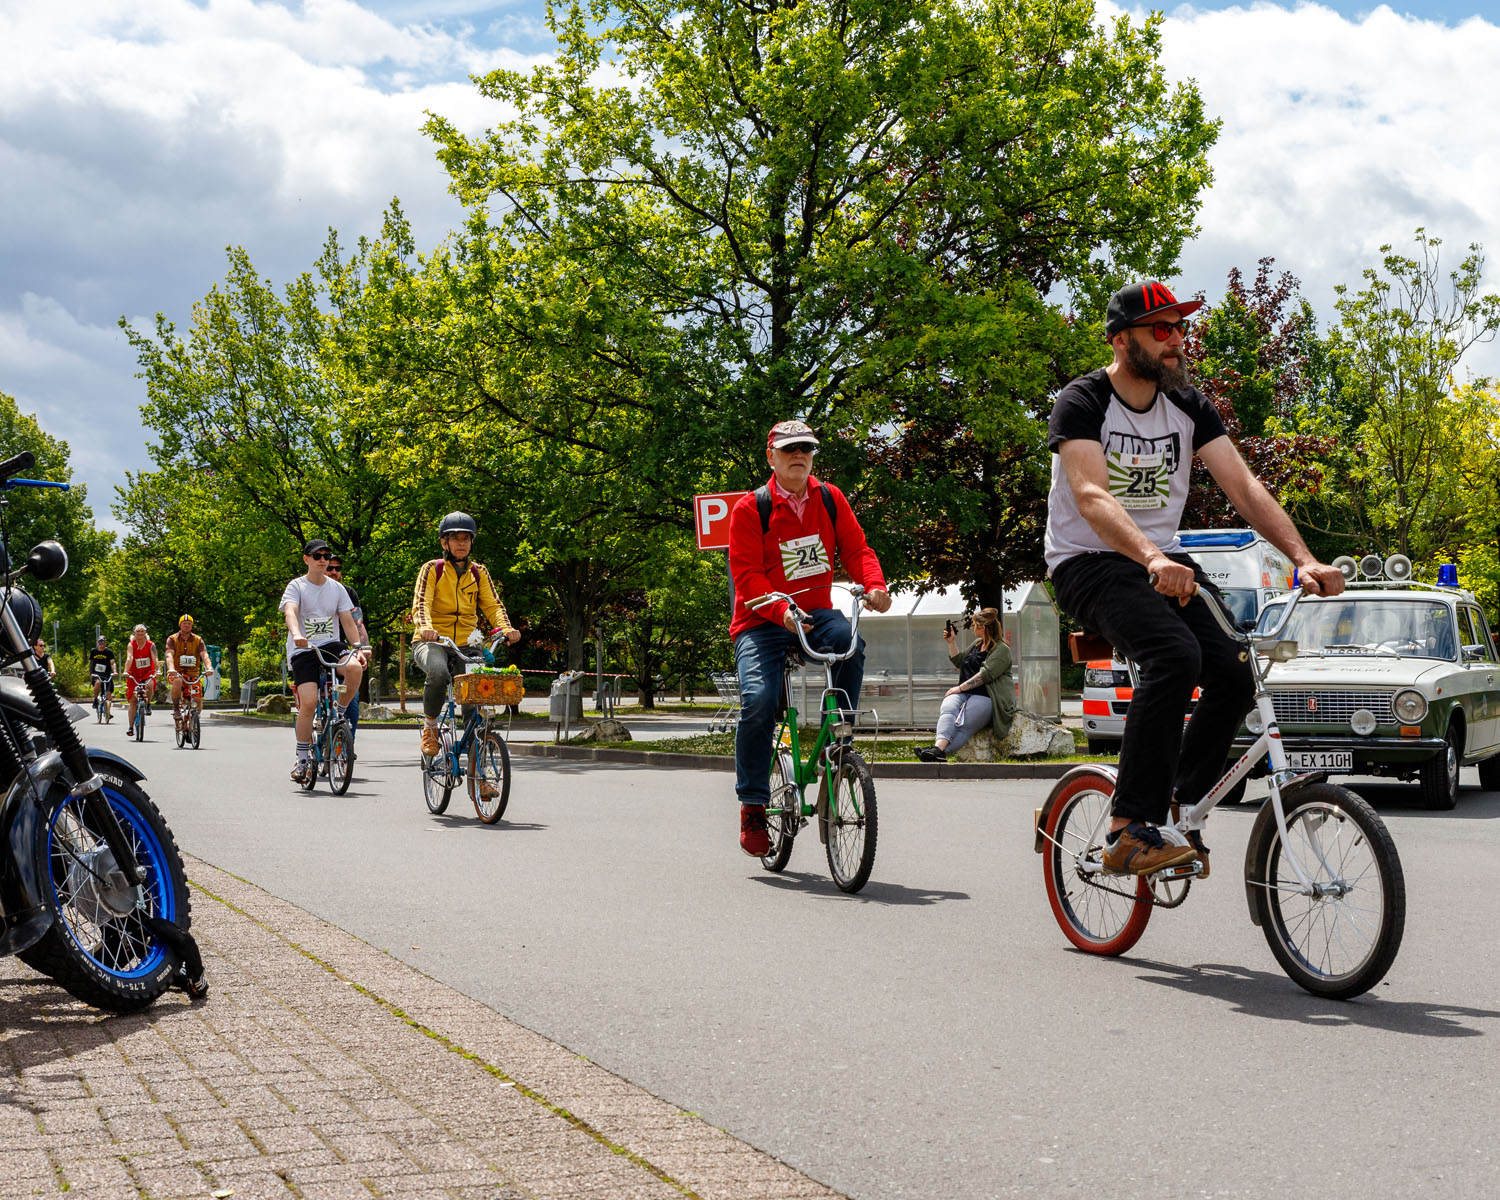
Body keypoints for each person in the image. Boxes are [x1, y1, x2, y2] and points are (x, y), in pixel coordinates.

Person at [1045, 279, 1344, 877]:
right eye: (1162, 329)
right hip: (1088, 561)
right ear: (1121, 339)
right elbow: (1092, 495)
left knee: (1236, 669)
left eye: (1181, 327)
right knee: (1174, 655)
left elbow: (1243, 486)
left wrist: (1303, 558)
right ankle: (1128, 827)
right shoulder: (1082, 401)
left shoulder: (1186, 403)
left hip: (1166, 560)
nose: (1177, 340)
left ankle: (1181, 806)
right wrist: (1152, 559)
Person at [727, 420, 892, 857]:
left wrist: (875, 585)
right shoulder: (750, 509)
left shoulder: (830, 498)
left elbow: (857, 550)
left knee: (851, 644)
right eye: (789, 449)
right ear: (771, 457)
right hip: (761, 620)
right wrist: (780, 611)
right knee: (759, 701)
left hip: (815, 614)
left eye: (806, 448)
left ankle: (837, 739)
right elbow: (748, 576)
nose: (799, 454)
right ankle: (753, 806)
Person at [410, 513, 521, 797]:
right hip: (432, 640)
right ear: (444, 542)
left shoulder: (478, 572)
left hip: (466, 644)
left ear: (471, 542)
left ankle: (480, 777)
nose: (461, 543)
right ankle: (431, 728)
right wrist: (426, 627)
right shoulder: (432, 569)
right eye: (455, 538)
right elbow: (421, 603)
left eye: (466, 538)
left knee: (477, 707)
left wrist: (506, 628)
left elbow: (493, 605)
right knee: (438, 672)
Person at [280, 539, 367, 785]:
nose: (323, 560)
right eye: (317, 556)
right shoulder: (296, 586)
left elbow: (348, 621)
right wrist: (297, 634)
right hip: (304, 648)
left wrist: (358, 647)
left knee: (354, 667)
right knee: (308, 703)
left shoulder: (337, 589)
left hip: (331, 644)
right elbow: (290, 612)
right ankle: (302, 759)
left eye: (326, 556)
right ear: (306, 559)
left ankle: (339, 713)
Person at [916, 608, 1016, 762]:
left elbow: (985, 675)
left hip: (986, 696)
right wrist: (951, 642)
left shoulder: (1002, 650)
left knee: (964, 725)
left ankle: (938, 752)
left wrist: (959, 688)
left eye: (975, 625)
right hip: (965, 693)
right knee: (948, 710)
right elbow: (959, 661)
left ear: (983, 627)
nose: (973, 627)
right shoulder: (977, 644)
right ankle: (937, 749)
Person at [325, 553, 371, 738]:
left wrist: (364, 647)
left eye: (338, 568)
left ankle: (346, 743)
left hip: (340, 650)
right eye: (330, 568)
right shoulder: (309, 590)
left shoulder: (348, 593)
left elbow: (357, 622)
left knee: (352, 698)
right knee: (312, 694)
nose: (334, 572)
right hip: (314, 650)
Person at [164, 614, 214, 736]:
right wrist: (171, 669)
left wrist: (209, 667)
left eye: (189, 623)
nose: (186, 625)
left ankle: (193, 721)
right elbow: (169, 655)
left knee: (198, 700)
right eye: (184, 623)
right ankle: (176, 708)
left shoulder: (198, 639)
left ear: (192, 625)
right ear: (180, 625)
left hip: (193, 674)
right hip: (177, 673)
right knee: (177, 681)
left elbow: (204, 655)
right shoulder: (172, 639)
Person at [123, 624, 158, 730]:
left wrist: (158, 670)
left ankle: (148, 704)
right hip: (134, 673)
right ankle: (130, 727)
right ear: (134, 633)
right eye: (138, 631)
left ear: (145, 633)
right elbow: (129, 658)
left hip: (147, 672)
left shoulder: (151, 645)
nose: (140, 633)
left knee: (150, 684)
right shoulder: (131, 645)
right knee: (133, 701)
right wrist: (126, 671)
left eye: (142, 631)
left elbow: (155, 658)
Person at [89, 634, 117, 722]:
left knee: (108, 693)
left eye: (103, 642)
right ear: (97, 643)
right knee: (98, 683)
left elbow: (112, 663)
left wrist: (114, 671)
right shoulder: (93, 651)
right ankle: (95, 700)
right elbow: (91, 663)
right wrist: (90, 673)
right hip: (96, 674)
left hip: (106, 675)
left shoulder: (109, 652)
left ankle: (108, 711)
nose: (101, 644)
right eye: (100, 642)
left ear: (105, 643)